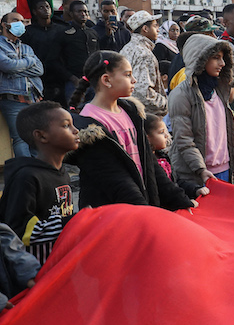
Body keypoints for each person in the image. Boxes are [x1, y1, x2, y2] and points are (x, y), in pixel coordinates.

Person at [67, 51, 194, 210]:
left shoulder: (132, 112)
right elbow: (115, 180)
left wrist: (178, 199)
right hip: (113, 214)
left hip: (140, 206)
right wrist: (143, 212)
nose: (134, 80)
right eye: (127, 75)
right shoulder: (90, 127)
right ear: (106, 80)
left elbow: (149, 164)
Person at [167, 35, 234, 188]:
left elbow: (230, 132)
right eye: (216, 58)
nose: (222, 63)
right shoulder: (181, 95)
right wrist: (200, 170)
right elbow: (184, 140)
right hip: (196, 175)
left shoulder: (219, 90)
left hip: (225, 170)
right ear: (199, 59)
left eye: (223, 58)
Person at [0, 101, 77, 264]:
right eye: (66, 126)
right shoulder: (27, 177)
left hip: (59, 265)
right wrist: (71, 222)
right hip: (36, 272)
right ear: (41, 136)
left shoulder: (62, 173)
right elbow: (19, 229)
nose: (76, 131)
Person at [0, 11, 44, 157]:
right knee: (20, 138)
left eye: (23, 21)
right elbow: (8, 66)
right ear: (4, 24)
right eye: (15, 20)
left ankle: (39, 171)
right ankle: (26, 172)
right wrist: (29, 62)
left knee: (37, 137)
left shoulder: (26, 48)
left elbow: (40, 69)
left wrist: (17, 68)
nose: (21, 24)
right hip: (13, 99)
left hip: (34, 98)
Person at [144, 113, 209, 201]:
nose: (166, 136)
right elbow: (165, 189)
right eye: (161, 132)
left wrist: (195, 190)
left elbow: (176, 182)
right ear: (147, 138)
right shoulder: (147, 163)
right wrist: (184, 201)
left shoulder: (163, 157)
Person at [53, 0, 101, 106]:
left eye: (85, 11)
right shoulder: (63, 33)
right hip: (74, 82)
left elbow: (98, 56)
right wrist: (71, 78)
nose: (83, 14)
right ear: (71, 14)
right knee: (75, 112)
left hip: (93, 81)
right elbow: (54, 60)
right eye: (79, 11)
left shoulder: (92, 33)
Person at [120, 10, 167, 117]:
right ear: (145, 29)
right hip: (144, 115)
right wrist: (165, 103)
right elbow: (143, 93)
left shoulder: (127, 48)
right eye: (155, 26)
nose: (158, 30)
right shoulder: (144, 53)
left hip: (127, 110)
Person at [20, 0, 63, 103]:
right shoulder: (28, 32)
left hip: (60, 76)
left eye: (47, 7)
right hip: (39, 76)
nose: (45, 10)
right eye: (41, 8)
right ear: (34, 12)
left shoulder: (61, 30)